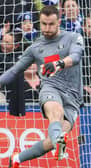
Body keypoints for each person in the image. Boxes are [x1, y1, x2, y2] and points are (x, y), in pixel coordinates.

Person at [0, 6, 84, 167]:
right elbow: (14, 71)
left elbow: (76, 56)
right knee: (56, 114)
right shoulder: (35, 48)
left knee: (53, 140)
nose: (47, 28)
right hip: (50, 89)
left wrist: (59, 64)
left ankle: (17, 158)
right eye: (44, 24)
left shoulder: (74, 37)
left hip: (73, 96)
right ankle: (59, 144)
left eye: (51, 24)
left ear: (59, 21)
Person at [0, 30, 25, 116]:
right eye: (2, 41)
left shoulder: (22, 57)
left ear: (16, 46)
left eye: (7, 42)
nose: (3, 44)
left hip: (20, 99)